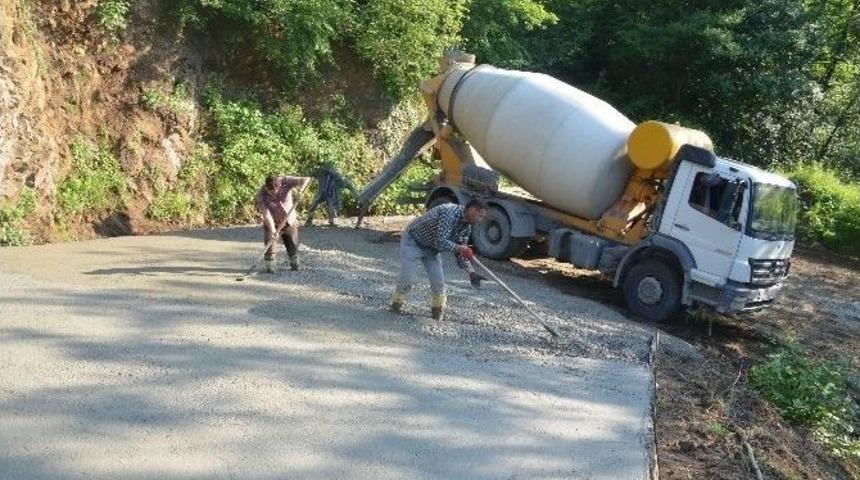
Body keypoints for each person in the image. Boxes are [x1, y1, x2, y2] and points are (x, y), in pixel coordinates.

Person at [391, 199, 489, 320]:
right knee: (408, 277)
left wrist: (471, 273)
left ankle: (437, 311)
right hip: (413, 242)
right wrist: (460, 248)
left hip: (432, 249)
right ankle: (396, 304)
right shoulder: (449, 213)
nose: (481, 220)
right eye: (480, 216)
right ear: (472, 210)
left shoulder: (467, 226)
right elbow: (441, 241)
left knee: (438, 282)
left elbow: (461, 252)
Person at [256, 173, 311, 273]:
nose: (272, 194)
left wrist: (301, 191)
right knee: (270, 243)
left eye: (274, 192)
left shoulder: (285, 181)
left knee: (292, 244)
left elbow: (306, 178)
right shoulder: (262, 195)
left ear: (279, 185)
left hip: (289, 220)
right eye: (270, 192)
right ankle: (270, 265)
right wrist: (273, 230)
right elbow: (266, 214)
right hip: (273, 221)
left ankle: (294, 262)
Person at [304, 161, 356, 227]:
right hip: (321, 192)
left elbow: (344, 182)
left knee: (330, 207)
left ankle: (331, 222)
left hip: (330, 193)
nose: (329, 170)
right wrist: (310, 174)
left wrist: (352, 189)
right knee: (313, 204)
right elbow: (311, 174)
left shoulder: (336, 175)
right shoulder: (321, 172)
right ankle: (308, 221)